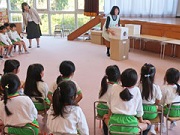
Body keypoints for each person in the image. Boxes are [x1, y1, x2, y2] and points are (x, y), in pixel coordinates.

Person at [104, 68, 151, 135]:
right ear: (134, 83)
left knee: (105, 118)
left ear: (120, 79)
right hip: (130, 127)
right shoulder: (136, 90)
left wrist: (108, 115)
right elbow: (139, 110)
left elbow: (110, 105)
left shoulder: (114, 87)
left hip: (114, 126)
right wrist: (141, 120)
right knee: (148, 125)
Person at [139, 63, 162, 134]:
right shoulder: (156, 87)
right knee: (160, 109)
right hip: (152, 113)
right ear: (153, 76)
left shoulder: (138, 87)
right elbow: (158, 100)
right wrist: (155, 104)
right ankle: (152, 128)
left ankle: (144, 128)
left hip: (141, 112)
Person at [98, 65, 121, 135]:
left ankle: (105, 130)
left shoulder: (104, 84)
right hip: (109, 112)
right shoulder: (118, 88)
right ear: (118, 77)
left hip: (100, 109)